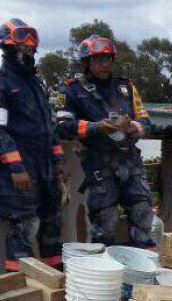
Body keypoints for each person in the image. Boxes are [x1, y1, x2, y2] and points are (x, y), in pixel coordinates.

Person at [0, 18, 66, 271]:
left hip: (46, 169)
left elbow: (50, 128)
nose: (28, 51)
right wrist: (17, 167)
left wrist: (58, 160)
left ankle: (56, 288)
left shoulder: (37, 85)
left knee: (52, 229)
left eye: (31, 47)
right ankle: (20, 293)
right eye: (21, 47)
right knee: (24, 230)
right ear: (6, 48)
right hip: (20, 169)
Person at [56, 35, 155, 249]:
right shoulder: (71, 89)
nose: (103, 64)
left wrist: (131, 128)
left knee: (143, 217)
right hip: (99, 165)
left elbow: (146, 123)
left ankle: (145, 276)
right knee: (104, 226)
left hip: (131, 163)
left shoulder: (126, 87)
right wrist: (95, 127)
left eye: (107, 58)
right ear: (86, 62)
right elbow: (63, 126)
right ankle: (107, 276)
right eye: (97, 59)